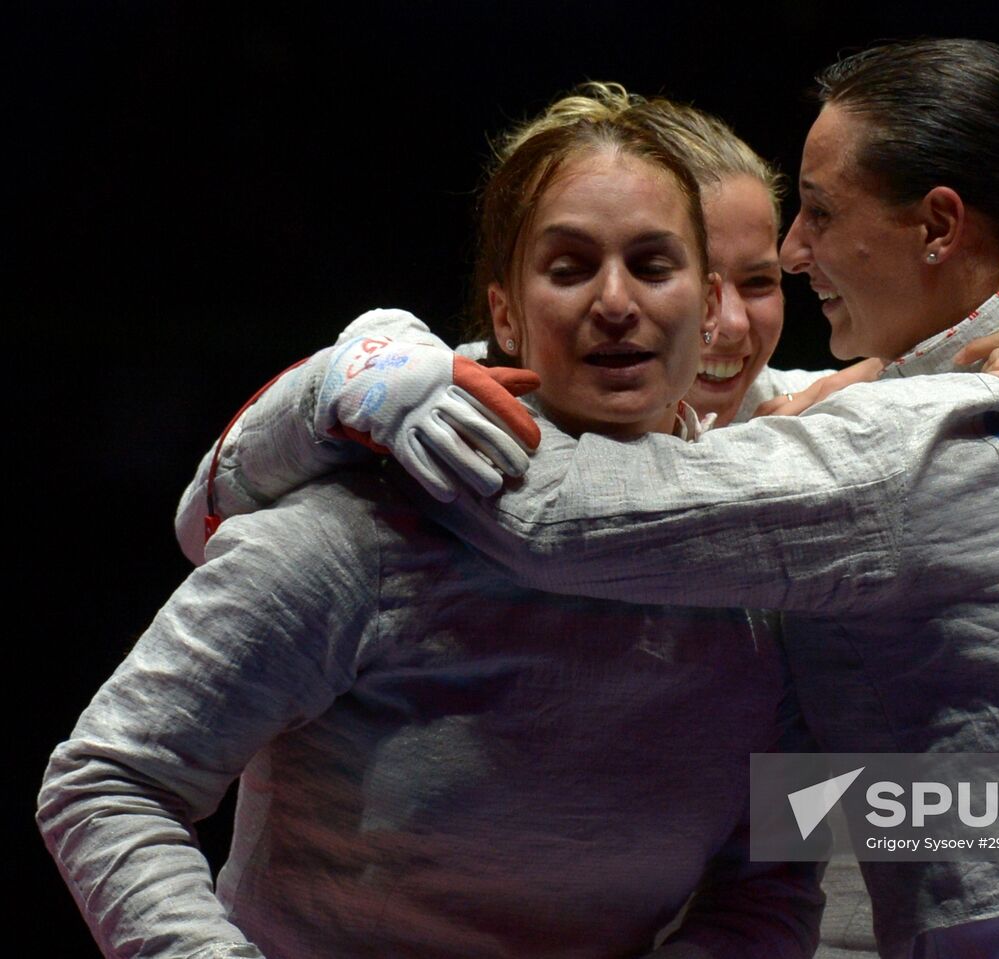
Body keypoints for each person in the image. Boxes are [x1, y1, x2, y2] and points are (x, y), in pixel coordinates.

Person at [165, 74, 999, 956]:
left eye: (758, 279)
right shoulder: (863, 412)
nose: (739, 321)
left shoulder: (904, 427)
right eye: (600, 268)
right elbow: (206, 525)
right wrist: (360, 376)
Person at [38, 101, 824, 958]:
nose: (614, 302)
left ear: (707, 305)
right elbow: (108, 780)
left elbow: (773, 873)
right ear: (506, 314)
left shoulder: (765, 549)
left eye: (651, 264)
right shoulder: (368, 525)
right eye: (568, 267)